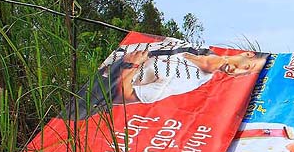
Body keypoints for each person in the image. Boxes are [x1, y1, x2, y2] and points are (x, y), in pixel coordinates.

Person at [63, 39, 267, 118]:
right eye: (246, 67)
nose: (237, 72)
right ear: (247, 54)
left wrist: (130, 66)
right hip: (85, 62)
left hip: (92, 94)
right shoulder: (196, 46)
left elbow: (122, 97)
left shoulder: (189, 81)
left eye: (245, 73)